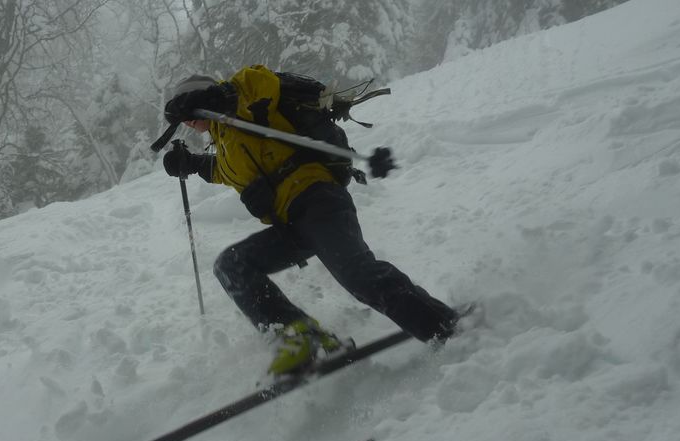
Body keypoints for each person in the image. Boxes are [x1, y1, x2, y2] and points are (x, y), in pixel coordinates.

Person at [161, 64, 460, 375]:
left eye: (188, 113)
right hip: (290, 224)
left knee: (357, 275)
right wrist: (193, 163)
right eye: (184, 120)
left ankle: (445, 326)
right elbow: (226, 171)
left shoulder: (241, 97)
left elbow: (261, 82)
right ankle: (302, 336)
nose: (189, 122)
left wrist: (219, 96)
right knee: (232, 266)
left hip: (320, 202)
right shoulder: (223, 139)